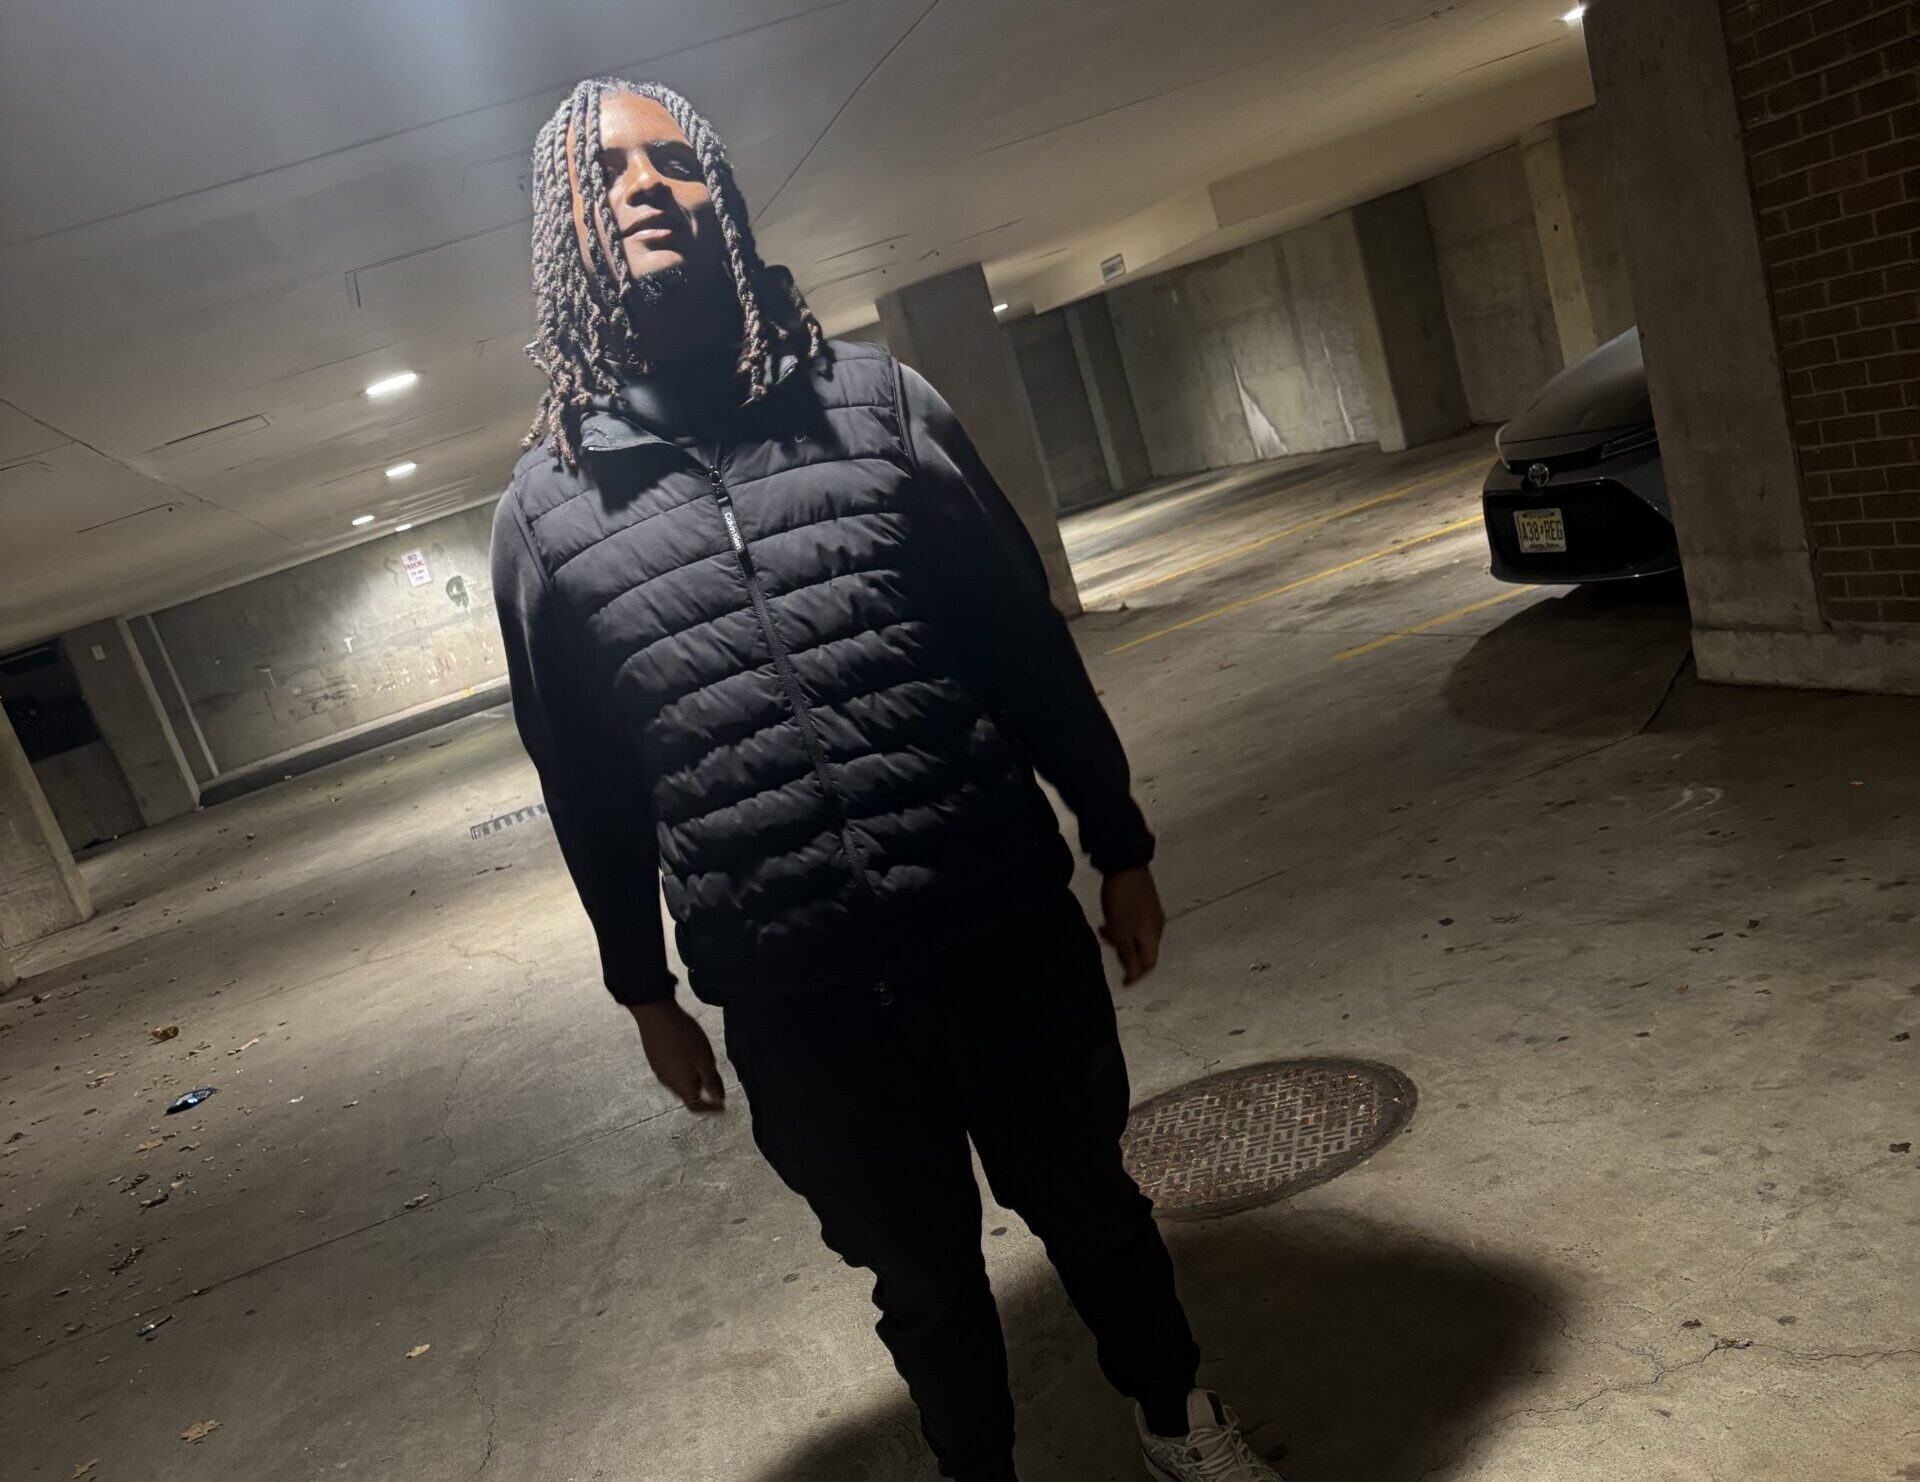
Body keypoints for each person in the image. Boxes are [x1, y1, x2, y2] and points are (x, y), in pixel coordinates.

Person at [491, 77, 1280, 1482]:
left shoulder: (876, 406)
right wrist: (642, 989)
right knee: (920, 1280)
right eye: (605, 175)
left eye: (674, 161)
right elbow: (587, 787)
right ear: (566, 238)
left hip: (1000, 934)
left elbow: (1021, 643)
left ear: (724, 197)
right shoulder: (548, 519)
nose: (647, 186)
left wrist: (1118, 838)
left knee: (1093, 1209)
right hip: (800, 1000)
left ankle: (1177, 1420)